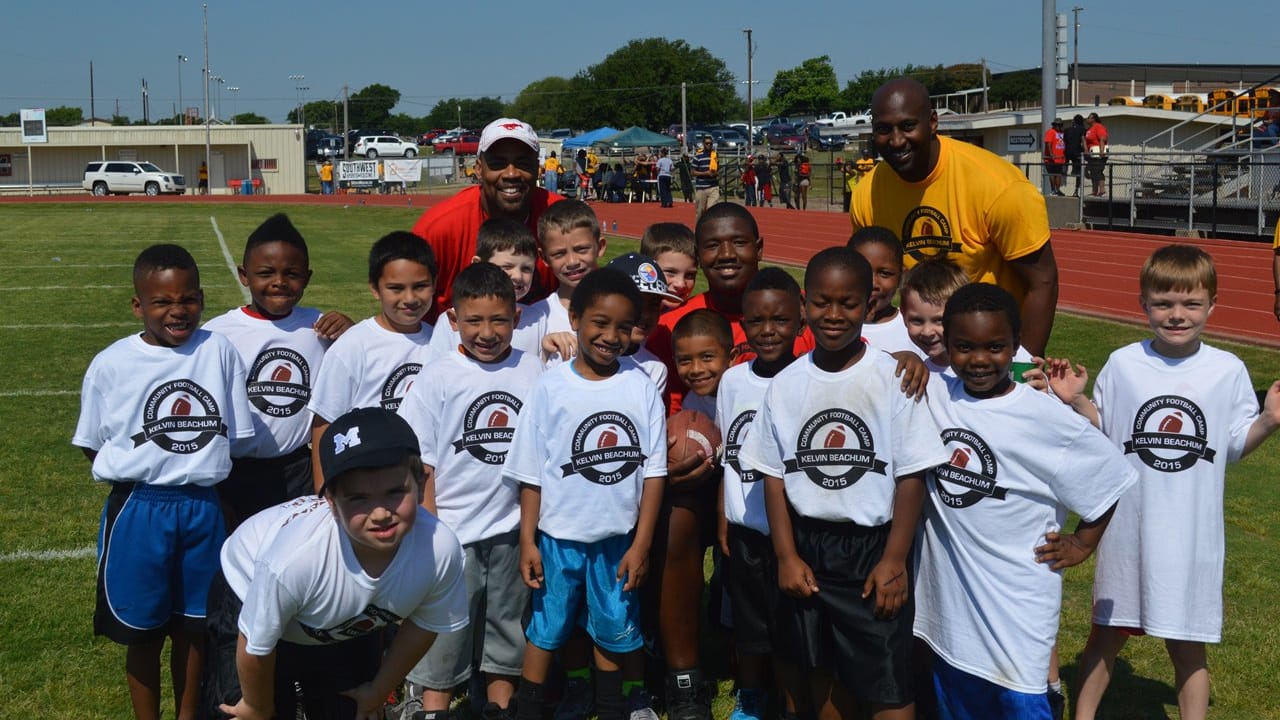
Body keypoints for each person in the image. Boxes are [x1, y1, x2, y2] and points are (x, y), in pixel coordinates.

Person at [1045, 244, 1280, 720]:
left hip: (1191, 536)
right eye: (1163, 304)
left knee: (1188, 645)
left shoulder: (1227, 370)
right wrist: (1079, 403)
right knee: (1106, 634)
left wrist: (1270, 421)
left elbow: (1233, 444)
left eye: (1191, 305)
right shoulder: (1124, 363)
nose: (1177, 315)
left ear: (1212, 306)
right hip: (1127, 531)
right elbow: (1106, 433)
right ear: (1142, 304)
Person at [738, 246, 949, 720]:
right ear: (804, 305)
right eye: (821, 303)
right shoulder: (787, 384)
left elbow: (912, 474)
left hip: (871, 550)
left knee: (887, 684)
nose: (834, 315)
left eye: (848, 303)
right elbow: (773, 476)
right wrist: (786, 556)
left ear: (867, 305)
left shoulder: (894, 378)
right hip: (806, 547)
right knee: (822, 675)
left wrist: (894, 559)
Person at [914, 282, 1137, 720]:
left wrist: (1083, 542)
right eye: (964, 347)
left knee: (1021, 701)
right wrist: (905, 359)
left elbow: (1112, 476)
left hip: (1016, 610)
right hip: (949, 614)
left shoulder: (1045, 418)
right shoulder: (937, 395)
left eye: (995, 347)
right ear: (948, 345)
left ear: (1016, 345)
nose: (979, 360)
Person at [73, 243, 253, 720]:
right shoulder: (112, 363)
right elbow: (94, 443)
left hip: (202, 507)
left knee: (196, 628)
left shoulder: (219, 351)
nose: (178, 311)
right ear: (139, 305)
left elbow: (230, 436)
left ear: (202, 298)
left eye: (189, 299)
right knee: (144, 632)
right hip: (140, 509)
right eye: (162, 302)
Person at [206, 407, 469, 720]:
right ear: (329, 501)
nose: (381, 512)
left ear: (421, 484)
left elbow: (424, 626)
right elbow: (254, 645)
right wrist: (258, 707)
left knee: (350, 708)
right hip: (249, 589)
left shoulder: (440, 549)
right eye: (358, 498)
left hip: (337, 622)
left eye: (395, 492)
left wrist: (377, 690)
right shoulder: (296, 560)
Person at [505, 267, 667, 720]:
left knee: (613, 628)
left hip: (618, 541)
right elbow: (532, 474)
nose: (611, 336)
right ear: (574, 318)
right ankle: (530, 709)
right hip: (557, 539)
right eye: (600, 323)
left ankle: (613, 706)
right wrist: (527, 540)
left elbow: (654, 473)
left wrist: (642, 544)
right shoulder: (550, 386)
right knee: (548, 628)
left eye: (623, 326)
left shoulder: (641, 387)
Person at [397, 263, 545, 720]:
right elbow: (422, 461)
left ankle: (498, 707)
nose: (487, 332)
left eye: (498, 320)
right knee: (445, 630)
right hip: (452, 531)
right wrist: (431, 524)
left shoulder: (534, 371)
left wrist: (530, 530)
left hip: (512, 528)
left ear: (517, 319)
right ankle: (432, 706)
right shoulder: (440, 375)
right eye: (474, 321)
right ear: (454, 320)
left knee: (507, 628)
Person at [851, 77, 1060, 357]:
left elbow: (1042, 280)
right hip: (921, 349)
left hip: (988, 353)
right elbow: (868, 279)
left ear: (933, 122)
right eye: (883, 129)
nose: (897, 140)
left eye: (908, 126)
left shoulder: (999, 187)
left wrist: (1022, 367)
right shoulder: (867, 194)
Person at [202, 213, 355, 528]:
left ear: (308, 277)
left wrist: (351, 331)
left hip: (297, 469)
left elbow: (361, 365)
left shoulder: (321, 326)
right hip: (233, 472)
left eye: (292, 273)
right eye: (266, 272)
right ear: (244, 275)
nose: (280, 282)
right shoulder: (219, 332)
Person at [716, 268, 808, 720]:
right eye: (756, 321)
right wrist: (724, 517)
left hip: (795, 533)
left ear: (800, 319)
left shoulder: (809, 379)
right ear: (743, 324)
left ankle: (791, 703)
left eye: (780, 320)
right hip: (746, 528)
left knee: (791, 627)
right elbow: (727, 456)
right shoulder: (733, 381)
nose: (768, 331)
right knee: (750, 626)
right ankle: (750, 699)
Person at [307, 231, 437, 491]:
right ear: (374, 289)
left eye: (420, 286)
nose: (410, 298)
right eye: (396, 288)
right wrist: (323, 492)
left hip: (427, 481)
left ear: (435, 283)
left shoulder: (440, 341)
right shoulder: (353, 346)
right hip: (369, 483)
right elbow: (324, 425)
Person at [411, 117, 563, 323]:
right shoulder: (439, 227)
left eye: (523, 163)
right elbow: (406, 307)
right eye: (498, 163)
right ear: (479, 169)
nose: (511, 173)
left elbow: (588, 296)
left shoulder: (562, 219)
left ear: (537, 168)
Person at [425, 218, 551, 361]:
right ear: (478, 264)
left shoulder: (537, 319)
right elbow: (435, 370)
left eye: (526, 269)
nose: (517, 276)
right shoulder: (452, 320)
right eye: (507, 267)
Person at [532, 200, 607, 365]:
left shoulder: (620, 307)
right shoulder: (537, 317)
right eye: (559, 254)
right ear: (544, 257)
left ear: (600, 247)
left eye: (581, 249)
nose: (572, 261)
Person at [848, 226, 914, 355]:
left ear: (901, 277)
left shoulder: (914, 328)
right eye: (863, 271)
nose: (873, 283)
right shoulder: (834, 327)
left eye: (884, 273)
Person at [899, 259, 971, 374]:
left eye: (939, 320)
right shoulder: (912, 376)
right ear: (903, 315)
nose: (927, 332)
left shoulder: (993, 369)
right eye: (917, 321)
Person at [640, 222, 698, 313]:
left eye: (690, 275)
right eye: (670, 272)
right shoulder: (623, 312)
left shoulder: (688, 318)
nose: (681, 284)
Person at [692, 136, 720, 219]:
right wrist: (705, 173)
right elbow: (693, 172)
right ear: (703, 144)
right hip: (701, 188)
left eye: (711, 143)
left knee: (712, 210)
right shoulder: (698, 156)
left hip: (713, 187)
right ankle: (699, 229)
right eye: (707, 143)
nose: (709, 145)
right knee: (700, 211)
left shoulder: (715, 155)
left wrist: (715, 173)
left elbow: (718, 170)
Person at [1085, 112, 1109, 197]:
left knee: (1098, 171)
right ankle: (1094, 191)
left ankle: (1102, 191)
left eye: (1089, 117)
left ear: (1094, 119)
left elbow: (1102, 139)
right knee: (1092, 172)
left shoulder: (1098, 127)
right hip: (1091, 154)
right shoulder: (1089, 129)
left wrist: (1101, 152)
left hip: (1098, 153)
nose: (1087, 119)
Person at [1064, 115, 1086, 196]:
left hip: (1067, 152)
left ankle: (1064, 170)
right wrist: (1086, 151)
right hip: (1077, 152)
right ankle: (1076, 191)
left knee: (1063, 168)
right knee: (1079, 173)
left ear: (1074, 121)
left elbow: (1065, 142)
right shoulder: (1082, 129)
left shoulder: (1066, 130)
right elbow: (1083, 141)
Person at [1044, 119, 1067, 196]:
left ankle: (1058, 190)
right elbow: (1048, 143)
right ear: (1054, 125)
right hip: (1051, 159)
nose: (1059, 127)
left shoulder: (1062, 133)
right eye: (1057, 125)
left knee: (1058, 174)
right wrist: (1051, 154)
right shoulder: (1050, 132)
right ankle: (1053, 190)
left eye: (1060, 125)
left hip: (1060, 158)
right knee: (1052, 174)